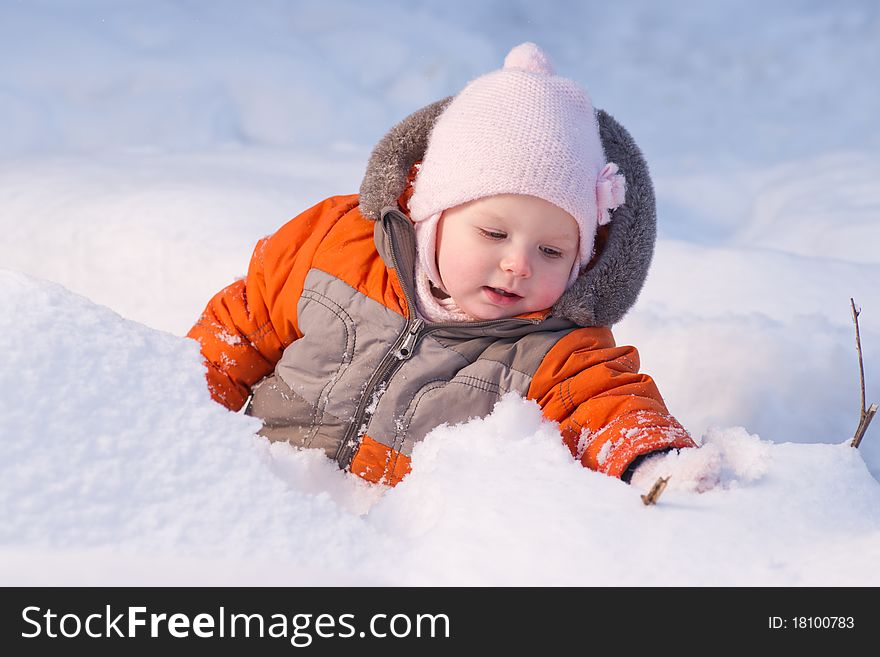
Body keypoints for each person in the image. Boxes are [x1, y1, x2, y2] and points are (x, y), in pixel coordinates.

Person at [187, 43, 697, 487]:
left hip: (394, 548)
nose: (518, 263)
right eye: (494, 233)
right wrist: (182, 418)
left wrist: (654, 461)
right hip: (258, 491)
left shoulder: (556, 348)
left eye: (552, 251)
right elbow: (235, 336)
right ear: (432, 217)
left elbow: (604, 407)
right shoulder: (332, 247)